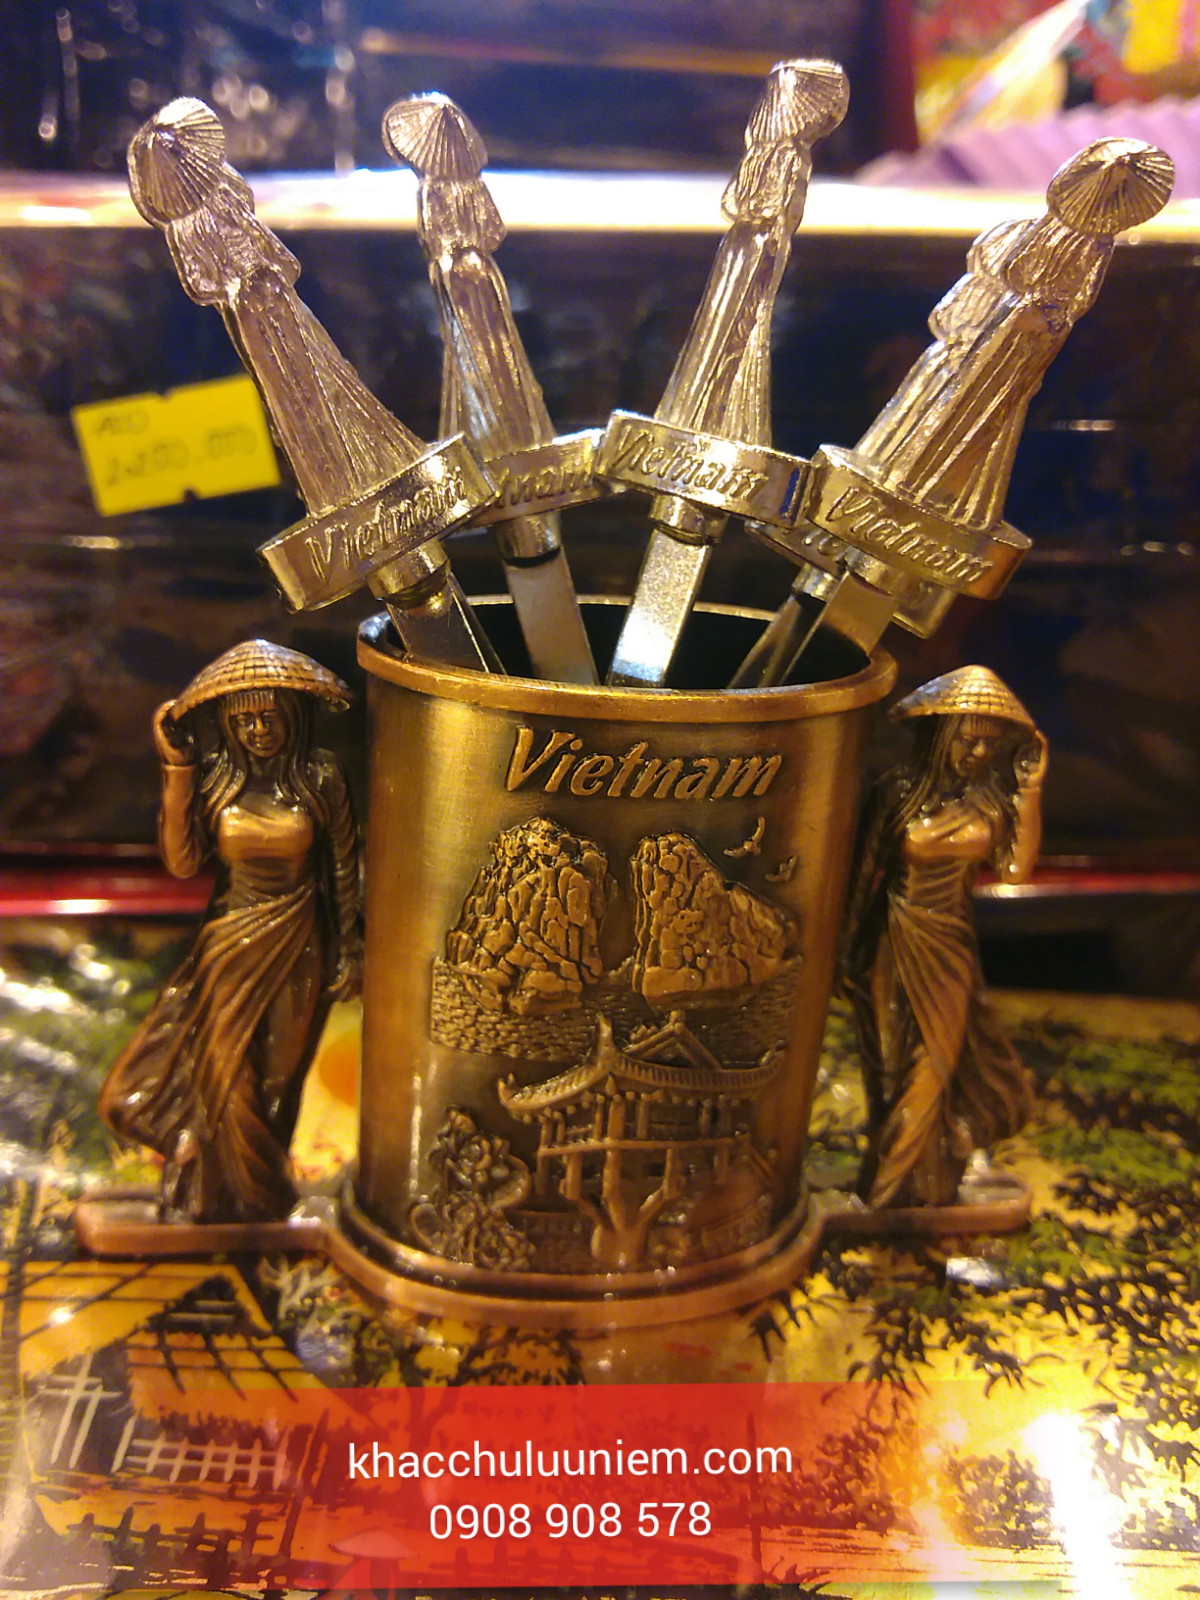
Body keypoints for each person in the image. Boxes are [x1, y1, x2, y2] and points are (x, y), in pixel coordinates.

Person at [98, 640, 359, 1222]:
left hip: (300, 937)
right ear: (228, 727)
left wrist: (351, 948)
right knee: (226, 1071)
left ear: (293, 718)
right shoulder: (215, 780)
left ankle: (247, 1197)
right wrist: (177, 769)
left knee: (277, 1077)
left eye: (270, 717)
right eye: (244, 720)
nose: (259, 730)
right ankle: (233, 1197)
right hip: (229, 944)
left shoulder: (321, 777)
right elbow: (183, 863)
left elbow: (344, 866)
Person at [841, 666, 1046, 1208]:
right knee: (887, 1067)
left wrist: (1029, 789)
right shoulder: (895, 794)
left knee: (932, 1066)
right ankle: (909, 1187)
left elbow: (1014, 871)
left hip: (950, 942)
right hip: (892, 935)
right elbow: (861, 877)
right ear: (940, 736)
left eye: (989, 744)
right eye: (967, 739)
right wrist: (843, 952)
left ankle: (886, 1194)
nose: (977, 753)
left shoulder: (993, 801)